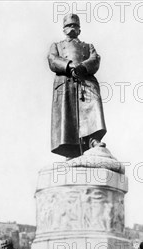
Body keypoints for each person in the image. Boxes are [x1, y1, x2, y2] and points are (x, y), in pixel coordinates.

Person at [48, 13, 106, 158]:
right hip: (66, 82)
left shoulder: (88, 47)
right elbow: (52, 59)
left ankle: (93, 139)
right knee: (68, 117)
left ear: (79, 29)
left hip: (85, 81)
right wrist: (69, 65)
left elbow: (95, 59)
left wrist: (83, 67)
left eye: (75, 25)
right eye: (68, 25)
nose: (72, 28)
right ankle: (71, 149)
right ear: (63, 29)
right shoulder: (57, 46)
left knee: (93, 103)